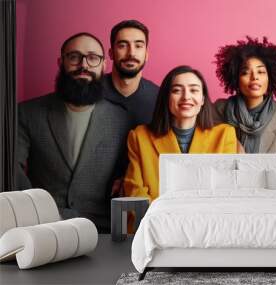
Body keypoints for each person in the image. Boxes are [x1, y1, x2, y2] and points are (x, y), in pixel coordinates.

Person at [17, 33, 130, 233]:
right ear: (61, 62)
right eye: (74, 57)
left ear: (103, 65)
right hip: (41, 227)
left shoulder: (122, 119)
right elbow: (11, 168)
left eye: (93, 58)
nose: (83, 65)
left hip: (101, 231)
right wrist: (36, 212)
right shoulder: (27, 113)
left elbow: (128, 176)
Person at [124, 65, 237, 201]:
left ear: (202, 99)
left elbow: (225, 191)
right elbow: (135, 191)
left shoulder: (224, 135)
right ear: (166, 98)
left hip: (206, 219)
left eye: (194, 90)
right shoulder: (139, 137)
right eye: (177, 90)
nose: (186, 97)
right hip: (155, 219)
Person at [213, 36, 276, 153]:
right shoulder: (219, 110)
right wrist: (233, 142)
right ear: (236, 78)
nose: (254, 77)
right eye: (245, 72)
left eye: (261, 72)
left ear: (270, 78)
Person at [103, 19, 159, 128]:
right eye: (122, 45)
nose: (131, 53)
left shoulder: (159, 98)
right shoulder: (90, 91)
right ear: (111, 53)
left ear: (146, 54)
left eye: (138, 46)